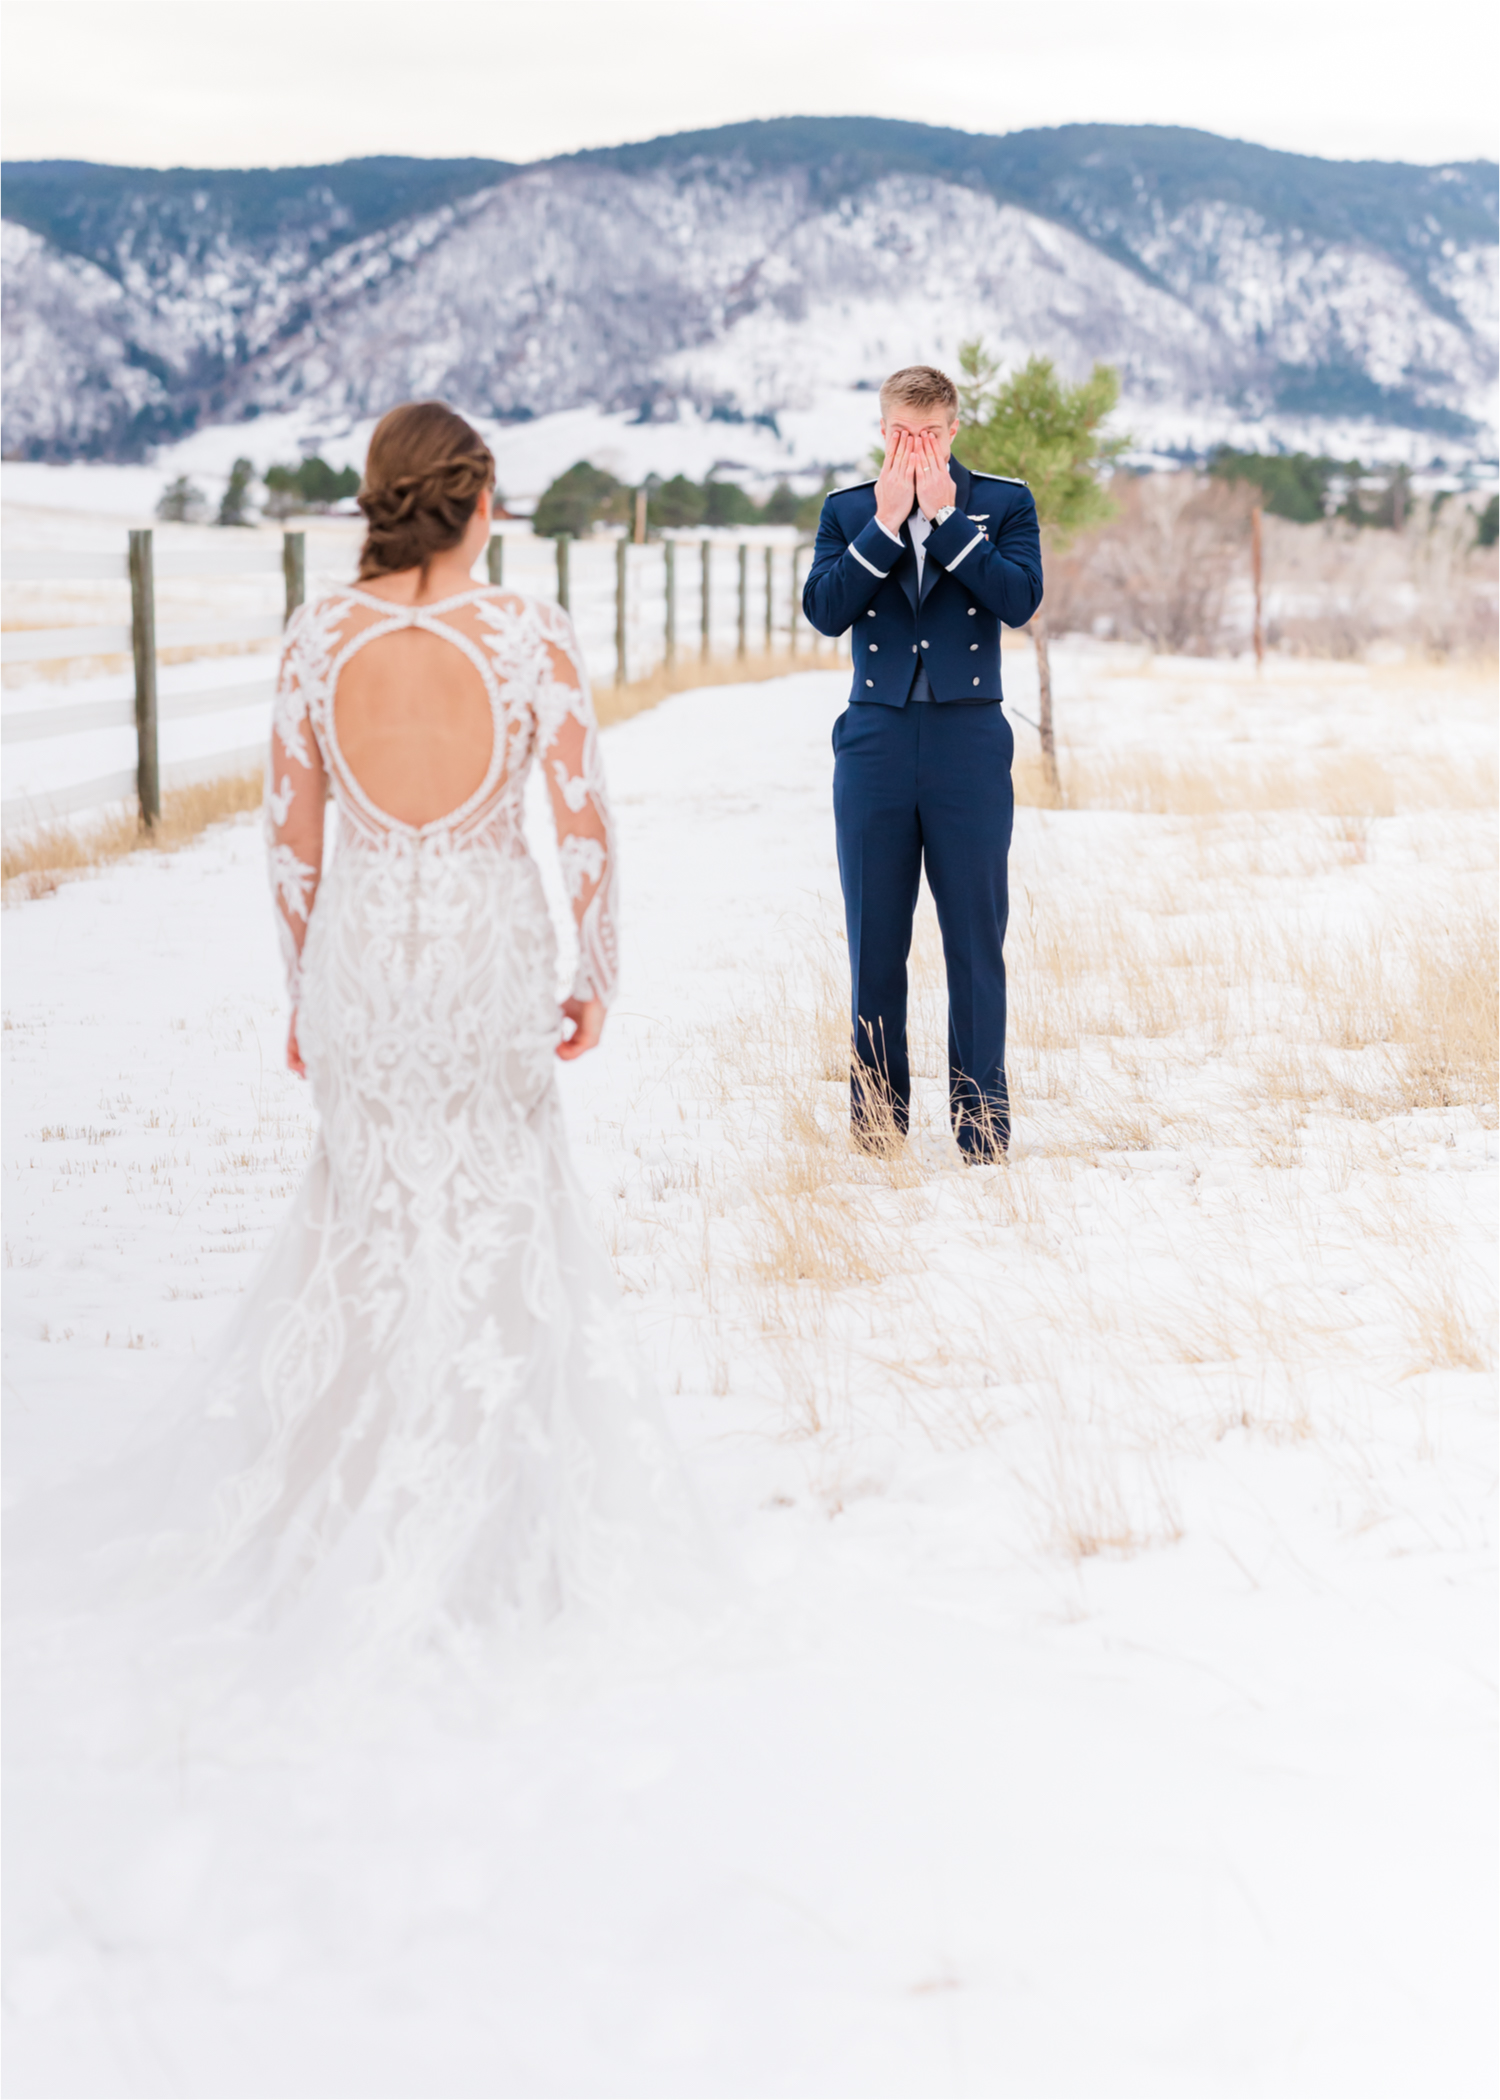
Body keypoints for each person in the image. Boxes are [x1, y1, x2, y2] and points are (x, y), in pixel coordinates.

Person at [200, 400, 704, 1664]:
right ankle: (496, 1512)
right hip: (485, 958)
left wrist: (302, 990)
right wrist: (595, 969)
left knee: (367, 1221)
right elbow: (582, 821)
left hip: (363, 960)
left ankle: (349, 1494)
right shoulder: (531, 633)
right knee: (500, 1213)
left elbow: (291, 840)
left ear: (383, 499)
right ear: (481, 500)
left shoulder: (316, 638)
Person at [803, 365, 1042, 1161]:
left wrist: (944, 522)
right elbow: (825, 611)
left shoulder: (1003, 503)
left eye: (931, 435)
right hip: (873, 738)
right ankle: (876, 1129)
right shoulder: (846, 511)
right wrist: (884, 526)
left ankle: (981, 1134)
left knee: (975, 939)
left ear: (953, 430)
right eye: (903, 434)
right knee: (875, 940)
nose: (917, 447)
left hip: (968, 740)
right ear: (882, 431)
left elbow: (1018, 599)